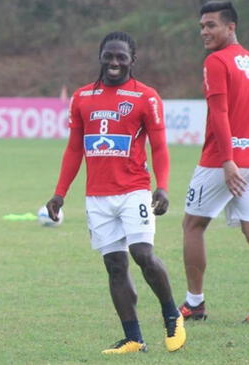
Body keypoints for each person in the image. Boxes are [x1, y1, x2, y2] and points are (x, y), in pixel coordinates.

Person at [46, 32, 186, 354]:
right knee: (115, 266)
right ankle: (134, 338)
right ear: (100, 56)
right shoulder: (81, 97)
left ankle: (171, 313)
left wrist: (161, 186)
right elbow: (73, 150)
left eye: (121, 57)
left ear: (132, 60)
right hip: (97, 196)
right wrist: (59, 193)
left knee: (142, 255)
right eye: (108, 55)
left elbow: (160, 146)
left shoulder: (145, 97)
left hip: (134, 190)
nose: (114, 62)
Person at [180, 1, 249, 323]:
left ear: (231, 27)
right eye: (202, 26)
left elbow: (219, 113)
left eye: (211, 25)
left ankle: (195, 304)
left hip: (223, 161)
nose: (204, 31)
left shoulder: (216, 61)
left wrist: (228, 160)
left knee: (192, 224)